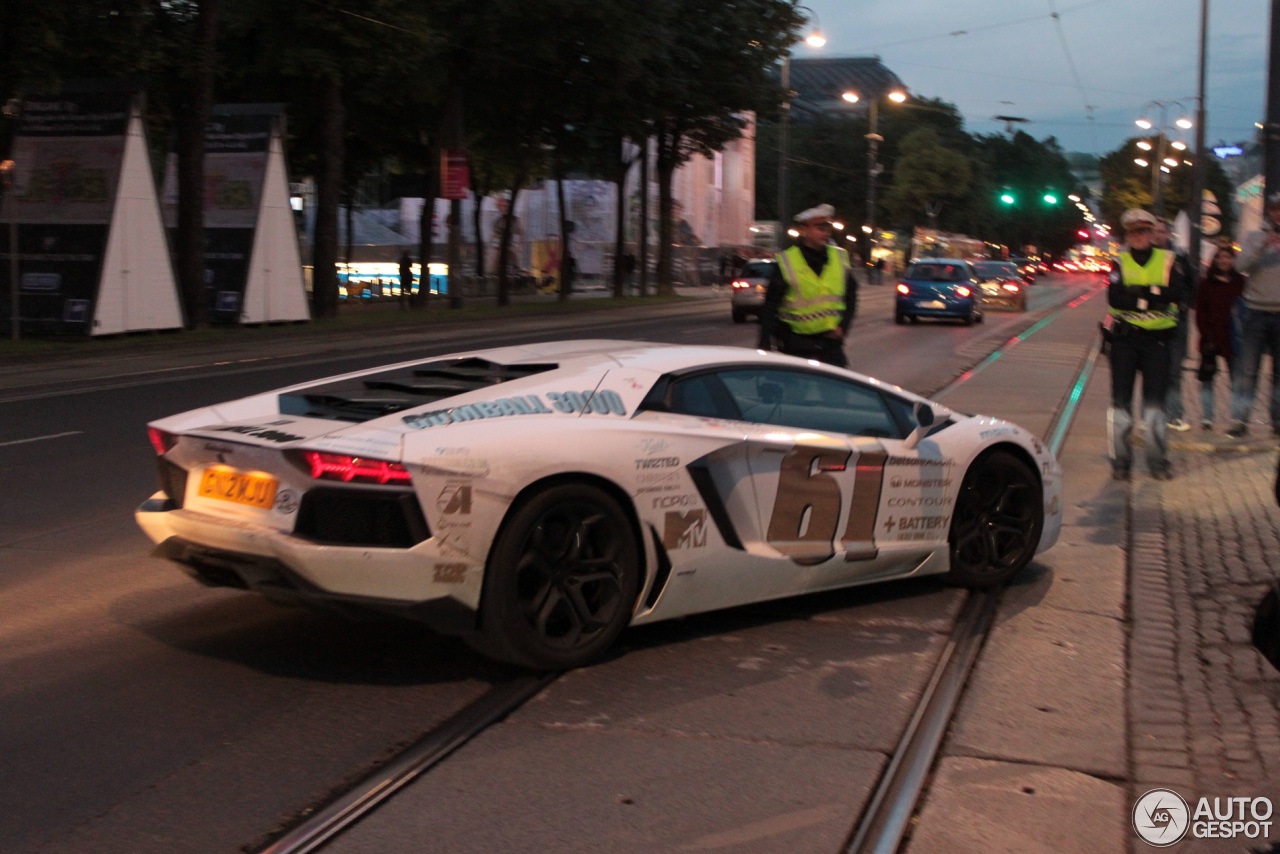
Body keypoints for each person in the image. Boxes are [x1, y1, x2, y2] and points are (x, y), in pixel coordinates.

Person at [1104, 208, 1192, 481]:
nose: (1138, 237)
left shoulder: (1169, 260)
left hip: (1158, 342)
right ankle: (1121, 462)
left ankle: (1157, 462)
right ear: (1127, 236)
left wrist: (1138, 294)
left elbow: (1175, 293)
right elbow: (1116, 299)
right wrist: (1153, 295)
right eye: (1133, 232)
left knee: (1155, 406)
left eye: (1143, 232)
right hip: (1125, 341)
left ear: (1152, 234)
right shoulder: (1119, 262)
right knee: (1121, 405)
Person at [757, 203, 857, 367]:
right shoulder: (787, 261)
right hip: (797, 345)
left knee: (836, 391)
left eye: (828, 228)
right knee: (797, 392)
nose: (825, 233)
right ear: (804, 229)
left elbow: (851, 297)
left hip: (830, 343)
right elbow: (770, 306)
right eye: (820, 227)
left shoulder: (840, 257)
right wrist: (765, 341)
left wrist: (842, 328)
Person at [1227, 191, 1280, 439]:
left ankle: (1277, 421)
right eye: (1275, 209)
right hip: (1256, 311)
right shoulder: (1254, 237)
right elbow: (1239, 267)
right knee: (1247, 370)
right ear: (1269, 212)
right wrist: (1262, 246)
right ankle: (1240, 419)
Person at [1194, 243, 1246, 429]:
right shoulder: (1206, 283)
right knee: (1208, 379)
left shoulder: (1240, 282)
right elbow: (1200, 311)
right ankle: (1207, 417)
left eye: (1228, 257)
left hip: (1233, 338)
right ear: (1215, 260)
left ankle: (1236, 417)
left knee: (1236, 380)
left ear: (1233, 260)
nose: (1224, 261)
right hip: (1210, 336)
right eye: (1220, 257)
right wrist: (1205, 333)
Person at [1153, 218, 1195, 431]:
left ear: (1168, 234)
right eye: (1155, 231)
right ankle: (1153, 413)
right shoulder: (1146, 256)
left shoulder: (1179, 257)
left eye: (1162, 231)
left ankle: (1174, 414)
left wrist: (1184, 304)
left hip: (1176, 320)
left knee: (1174, 370)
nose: (1158, 235)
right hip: (1152, 320)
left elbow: (1191, 284)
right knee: (1153, 369)